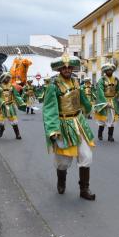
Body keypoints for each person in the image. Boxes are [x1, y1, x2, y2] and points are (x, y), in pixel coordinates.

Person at [42, 53, 96, 200]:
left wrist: (90, 108)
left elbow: (83, 99)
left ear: (72, 68)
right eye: (64, 68)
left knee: (86, 156)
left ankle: (84, 189)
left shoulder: (77, 83)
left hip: (79, 123)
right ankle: (61, 180)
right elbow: (49, 109)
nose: (67, 70)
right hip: (63, 125)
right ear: (60, 69)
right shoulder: (53, 86)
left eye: (69, 67)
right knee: (63, 162)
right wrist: (53, 129)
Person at [94, 62, 119, 142]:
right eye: (108, 70)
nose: (110, 71)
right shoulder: (101, 80)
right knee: (103, 120)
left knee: (112, 119)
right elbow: (100, 91)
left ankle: (110, 136)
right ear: (105, 71)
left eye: (111, 70)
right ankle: (100, 134)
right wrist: (105, 102)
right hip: (104, 102)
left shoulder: (116, 79)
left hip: (113, 102)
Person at [0, 73, 25, 139]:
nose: (7, 79)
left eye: (8, 78)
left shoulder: (11, 86)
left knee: (14, 120)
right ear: (3, 78)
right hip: (2, 106)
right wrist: (2, 102)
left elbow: (16, 95)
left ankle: (17, 134)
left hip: (10, 106)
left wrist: (21, 102)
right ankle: (2, 130)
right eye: (6, 78)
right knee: (1, 121)